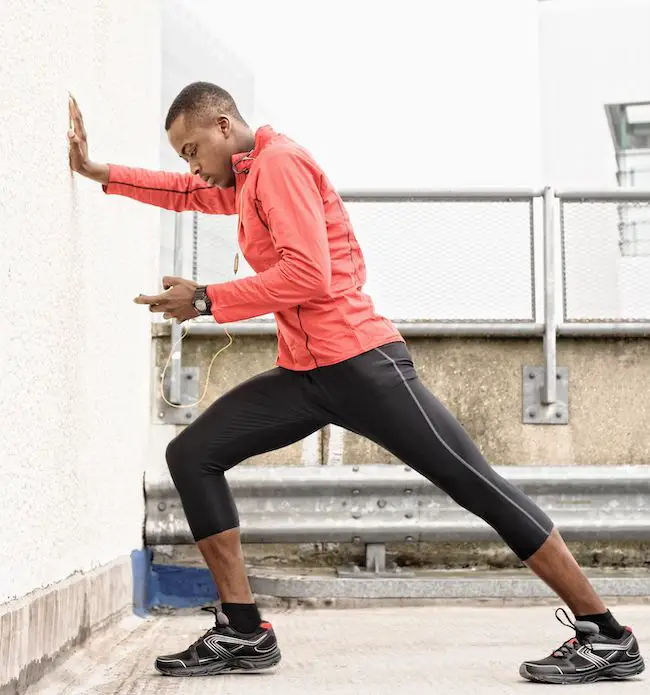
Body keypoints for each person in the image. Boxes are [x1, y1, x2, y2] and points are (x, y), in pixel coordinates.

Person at [68, 84, 644, 685]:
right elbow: (186, 192)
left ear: (222, 126)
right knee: (192, 453)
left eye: (191, 149)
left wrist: (209, 298)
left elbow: (309, 275)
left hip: (362, 365)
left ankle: (606, 636)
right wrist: (96, 170)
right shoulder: (243, 179)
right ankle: (242, 631)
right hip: (306, 375)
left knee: (475, 485)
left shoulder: (279, 164)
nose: (190, 165)